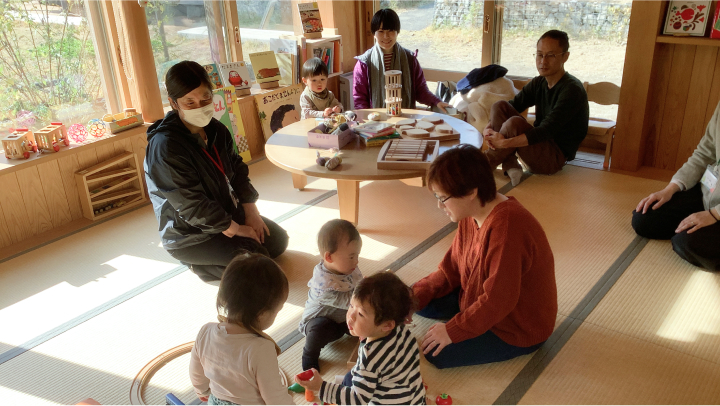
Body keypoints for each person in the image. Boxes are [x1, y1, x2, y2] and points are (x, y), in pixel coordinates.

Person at [412, 144, 557, 369]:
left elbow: (498, 300)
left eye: (443, 198)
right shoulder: (471, 213)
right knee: (418, 301)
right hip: (479, 296)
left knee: (436, 352)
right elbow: (451, 269)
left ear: (471, 192)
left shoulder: (508, 228)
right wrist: (411, 298)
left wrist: (452, 330)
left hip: (515, 324)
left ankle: (466, 320)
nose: (439, 206)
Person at [145, 61, 289, 282]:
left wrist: (251, 212)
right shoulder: (165, 146)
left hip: (224, 213)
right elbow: (191, 205)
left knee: (277, 241)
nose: (200, 107)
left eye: (205, 99)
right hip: (191, 234)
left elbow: (237, 170)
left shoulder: (216, 129)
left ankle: (229, 256)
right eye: (190, 102)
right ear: (174, 103)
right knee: (257, 265)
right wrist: (237, 229)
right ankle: (201, 266)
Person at [295, 272, 426, 405]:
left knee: (350, 384)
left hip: (387, 402)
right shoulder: (402, 330)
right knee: (350, 377)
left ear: (386, 325)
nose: (350, 316)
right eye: (351, 305)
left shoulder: (370, 357)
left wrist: (321, 387)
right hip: (414, 398)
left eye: (361, 314)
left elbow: (358, 399)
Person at [483, 30, 589, 186]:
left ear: (565, 57)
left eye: (550, 55)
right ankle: (510, 165)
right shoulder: (539, 82)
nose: (543, 61)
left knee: (514, 124)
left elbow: (545, 130)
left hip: (554, 157)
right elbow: (512, 106)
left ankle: (481, 166)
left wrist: (505, 143)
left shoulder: (572, 90)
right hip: (538, 146)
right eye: (540, 55)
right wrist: (488, 127)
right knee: (500, 106)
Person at [189, 253, 293, 405]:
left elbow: (196, 373)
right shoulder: (261, 349)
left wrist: (202, 391)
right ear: (262, 313)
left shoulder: (206, 331)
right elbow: (276, 399)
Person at [632, 102, 720, 271]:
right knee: (645, 218)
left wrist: (715, 214)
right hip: (710, 193)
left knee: (688, 242)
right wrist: (671, 188)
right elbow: (704, 153)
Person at [353, 8, 450, 113]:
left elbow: (420, 90)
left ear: (397, 32)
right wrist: (369, 119)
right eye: (381, 31)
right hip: (376, 120)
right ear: (374, 33)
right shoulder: (364, 63)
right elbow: (360, 99)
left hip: (406, 118)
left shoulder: (410, 59)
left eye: (390, 31)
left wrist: (436, 101)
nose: (386, 36)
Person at [299, 219, 363, 372]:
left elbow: (358, 287)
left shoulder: (347, 268)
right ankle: (309, 355)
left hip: (342, 320)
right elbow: (351, 301)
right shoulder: (324, 285)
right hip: (320, 322)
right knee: (319, 329)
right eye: (351, 256)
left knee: (365, 319)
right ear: (329, 257)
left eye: (357, 255)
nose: (356, 261)